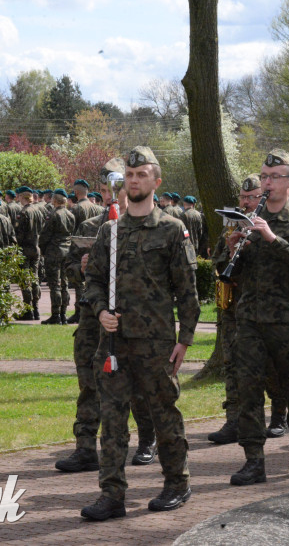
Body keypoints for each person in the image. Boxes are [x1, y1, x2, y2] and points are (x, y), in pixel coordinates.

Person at [80, 146, 200, 520]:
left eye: (142, 175)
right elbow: (93, 281)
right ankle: (112, 493)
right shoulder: (110, 232)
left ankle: (177, 484)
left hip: (156, 344)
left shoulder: (171, 230)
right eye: (130, 176)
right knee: (112, 419)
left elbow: (188, 292)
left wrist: (185, 340)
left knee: (164, 415)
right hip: (114, 344)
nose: (134, 181)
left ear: (156, 181)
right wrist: (101, 311)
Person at [226, 149, 289, 486]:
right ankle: (254, 460)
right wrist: (236, 246)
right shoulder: (253, 219)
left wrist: (272, 238)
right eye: (264, 177)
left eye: (275, 177)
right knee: (249, 389)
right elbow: (238, 272)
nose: (267, 183)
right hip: (250, 318)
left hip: (284, 319)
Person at [56, 165, 157, 473]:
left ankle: (146, 441)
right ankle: (85, 447)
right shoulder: (90, 225)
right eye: (107, 188)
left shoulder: (146, 226)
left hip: (130, 319)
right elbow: (69, 265)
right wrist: (83, 266)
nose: (114, 194)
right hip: (91, 317)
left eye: (121, 186)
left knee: (137, 383)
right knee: (89, 381)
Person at [206, 175, 289, 445]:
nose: (245, 202)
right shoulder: (232, 224)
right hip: (233, 309)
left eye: (251, 197)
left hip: (261, 308)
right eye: (243, 198)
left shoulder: (273, 224)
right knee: (232, 365)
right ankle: (234, 421)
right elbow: (218, 263)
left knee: (269, 366)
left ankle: (279, 416)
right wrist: (230, 251)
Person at [39, 188, 75, 324]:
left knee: (55, 284)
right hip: (67, 250)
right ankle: (63, 313)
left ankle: (56, 315)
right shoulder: (70, 214)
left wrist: (42, 248)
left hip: (54, 251)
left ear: (55, 200)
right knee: (64, 282)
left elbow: (45, 235)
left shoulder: (53, 215)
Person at [14, 187, 44, 321]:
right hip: (36, 247)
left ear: (23, 197)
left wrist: (16, 247)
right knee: (35, 278)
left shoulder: (24, 212)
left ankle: (28, 310)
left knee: (25, 279)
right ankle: (36, 308)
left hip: (25, 248)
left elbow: (20, 234)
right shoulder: (39, 211)